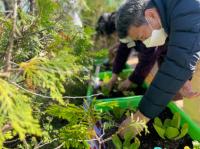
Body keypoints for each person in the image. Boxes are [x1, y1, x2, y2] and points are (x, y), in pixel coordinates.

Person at [115, 0, 200, 136]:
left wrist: (140, 117)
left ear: (151, 15)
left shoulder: (186, 7)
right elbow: (178, 54)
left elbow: (179, 61)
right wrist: (183, 78)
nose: (145, 44)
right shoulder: (168, 16)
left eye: (142, 37)